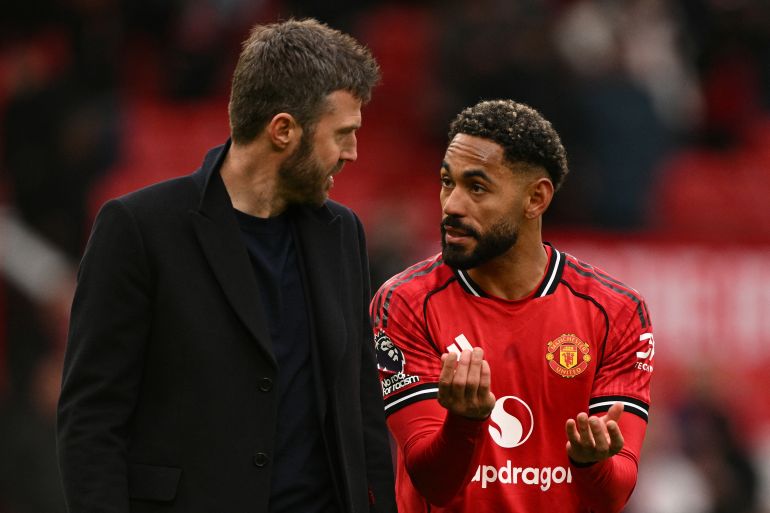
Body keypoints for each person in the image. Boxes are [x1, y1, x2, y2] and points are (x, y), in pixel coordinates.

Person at [57, 19, 396, 513]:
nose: (352, 152)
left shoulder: (341, 233)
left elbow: (361, 409)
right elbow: (92, 420)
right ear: (283, 131)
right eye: (342, 134)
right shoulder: (139, 228)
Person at [370, 99, 654, 513]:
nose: (452, 205)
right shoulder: (405, 303)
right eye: (448, 182)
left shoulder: (617, 312)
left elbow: (613, 493)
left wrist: (590, 462)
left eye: (477, 187)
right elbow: (432, 482)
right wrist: (464, 423)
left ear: (536, 199)